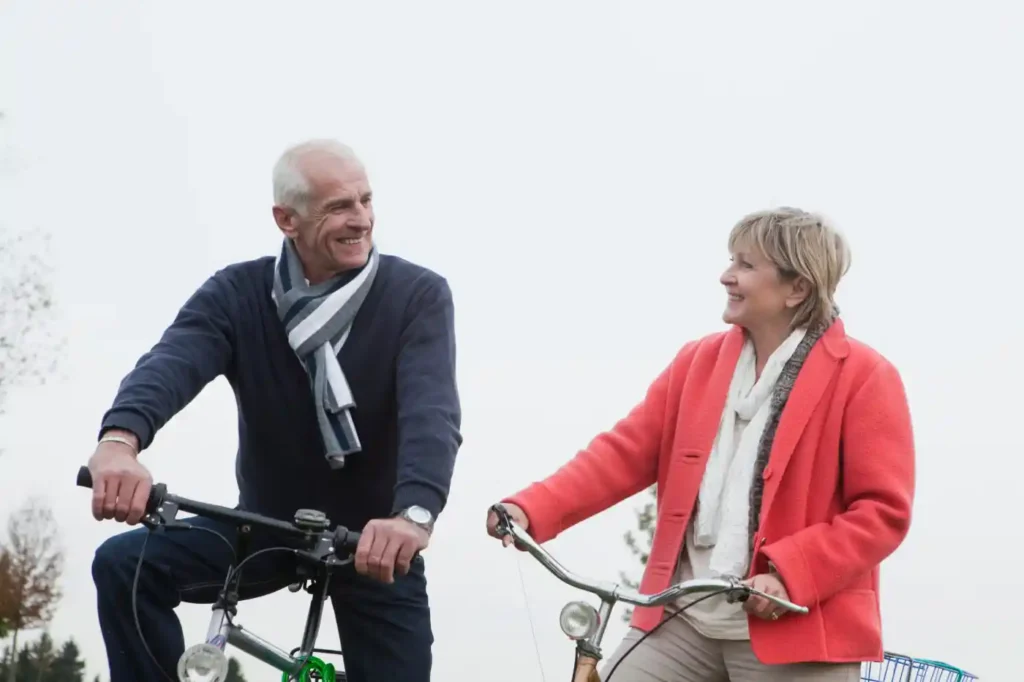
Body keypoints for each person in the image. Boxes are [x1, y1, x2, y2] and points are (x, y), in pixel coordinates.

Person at [88, 139, 462, 682]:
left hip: (375, 543)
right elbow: (173, 361)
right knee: (124, 566)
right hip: (263, 527)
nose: (361, 219)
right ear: (286, 219)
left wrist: (415, 516)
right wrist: (119, 442)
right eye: (339, 207)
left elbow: (432, 412)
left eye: (365, 200)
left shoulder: (416, 295)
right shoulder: (238, 293)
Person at [486, 207, 915, 681]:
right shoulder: (698, 362)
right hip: (682, 618)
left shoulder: (864, 376)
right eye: (732, 261)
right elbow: (623, 453)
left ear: (798, 288)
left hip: (795, 627)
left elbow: (882, 512)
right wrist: (531, 508)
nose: (726, 276)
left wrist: (791, 571)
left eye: (746, 265)